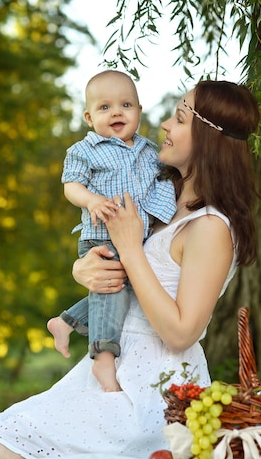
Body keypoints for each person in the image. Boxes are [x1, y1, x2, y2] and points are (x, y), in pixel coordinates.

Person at [0, 79, 260, 459]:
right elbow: (119, 263)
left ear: (208, 139)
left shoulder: (210, 227)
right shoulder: (159, 200)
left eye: (178, 118)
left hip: (158, 385)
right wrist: (84, 269)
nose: (164, 127)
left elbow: (181, 332)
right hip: (112, 362)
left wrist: (128, 248)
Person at [47, 70, 177, 392]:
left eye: (126, 105)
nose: (117, 112)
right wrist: (91, 200)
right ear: (89, 118)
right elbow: (71, 185)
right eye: (105, 108)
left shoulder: (149, 151)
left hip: (135, 238)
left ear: (139, 111)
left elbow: (161, 185)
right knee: (112, 289)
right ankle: (103, 357)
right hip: (102, 235)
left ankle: (65, 322)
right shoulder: (86, 150)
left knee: (127, 290)